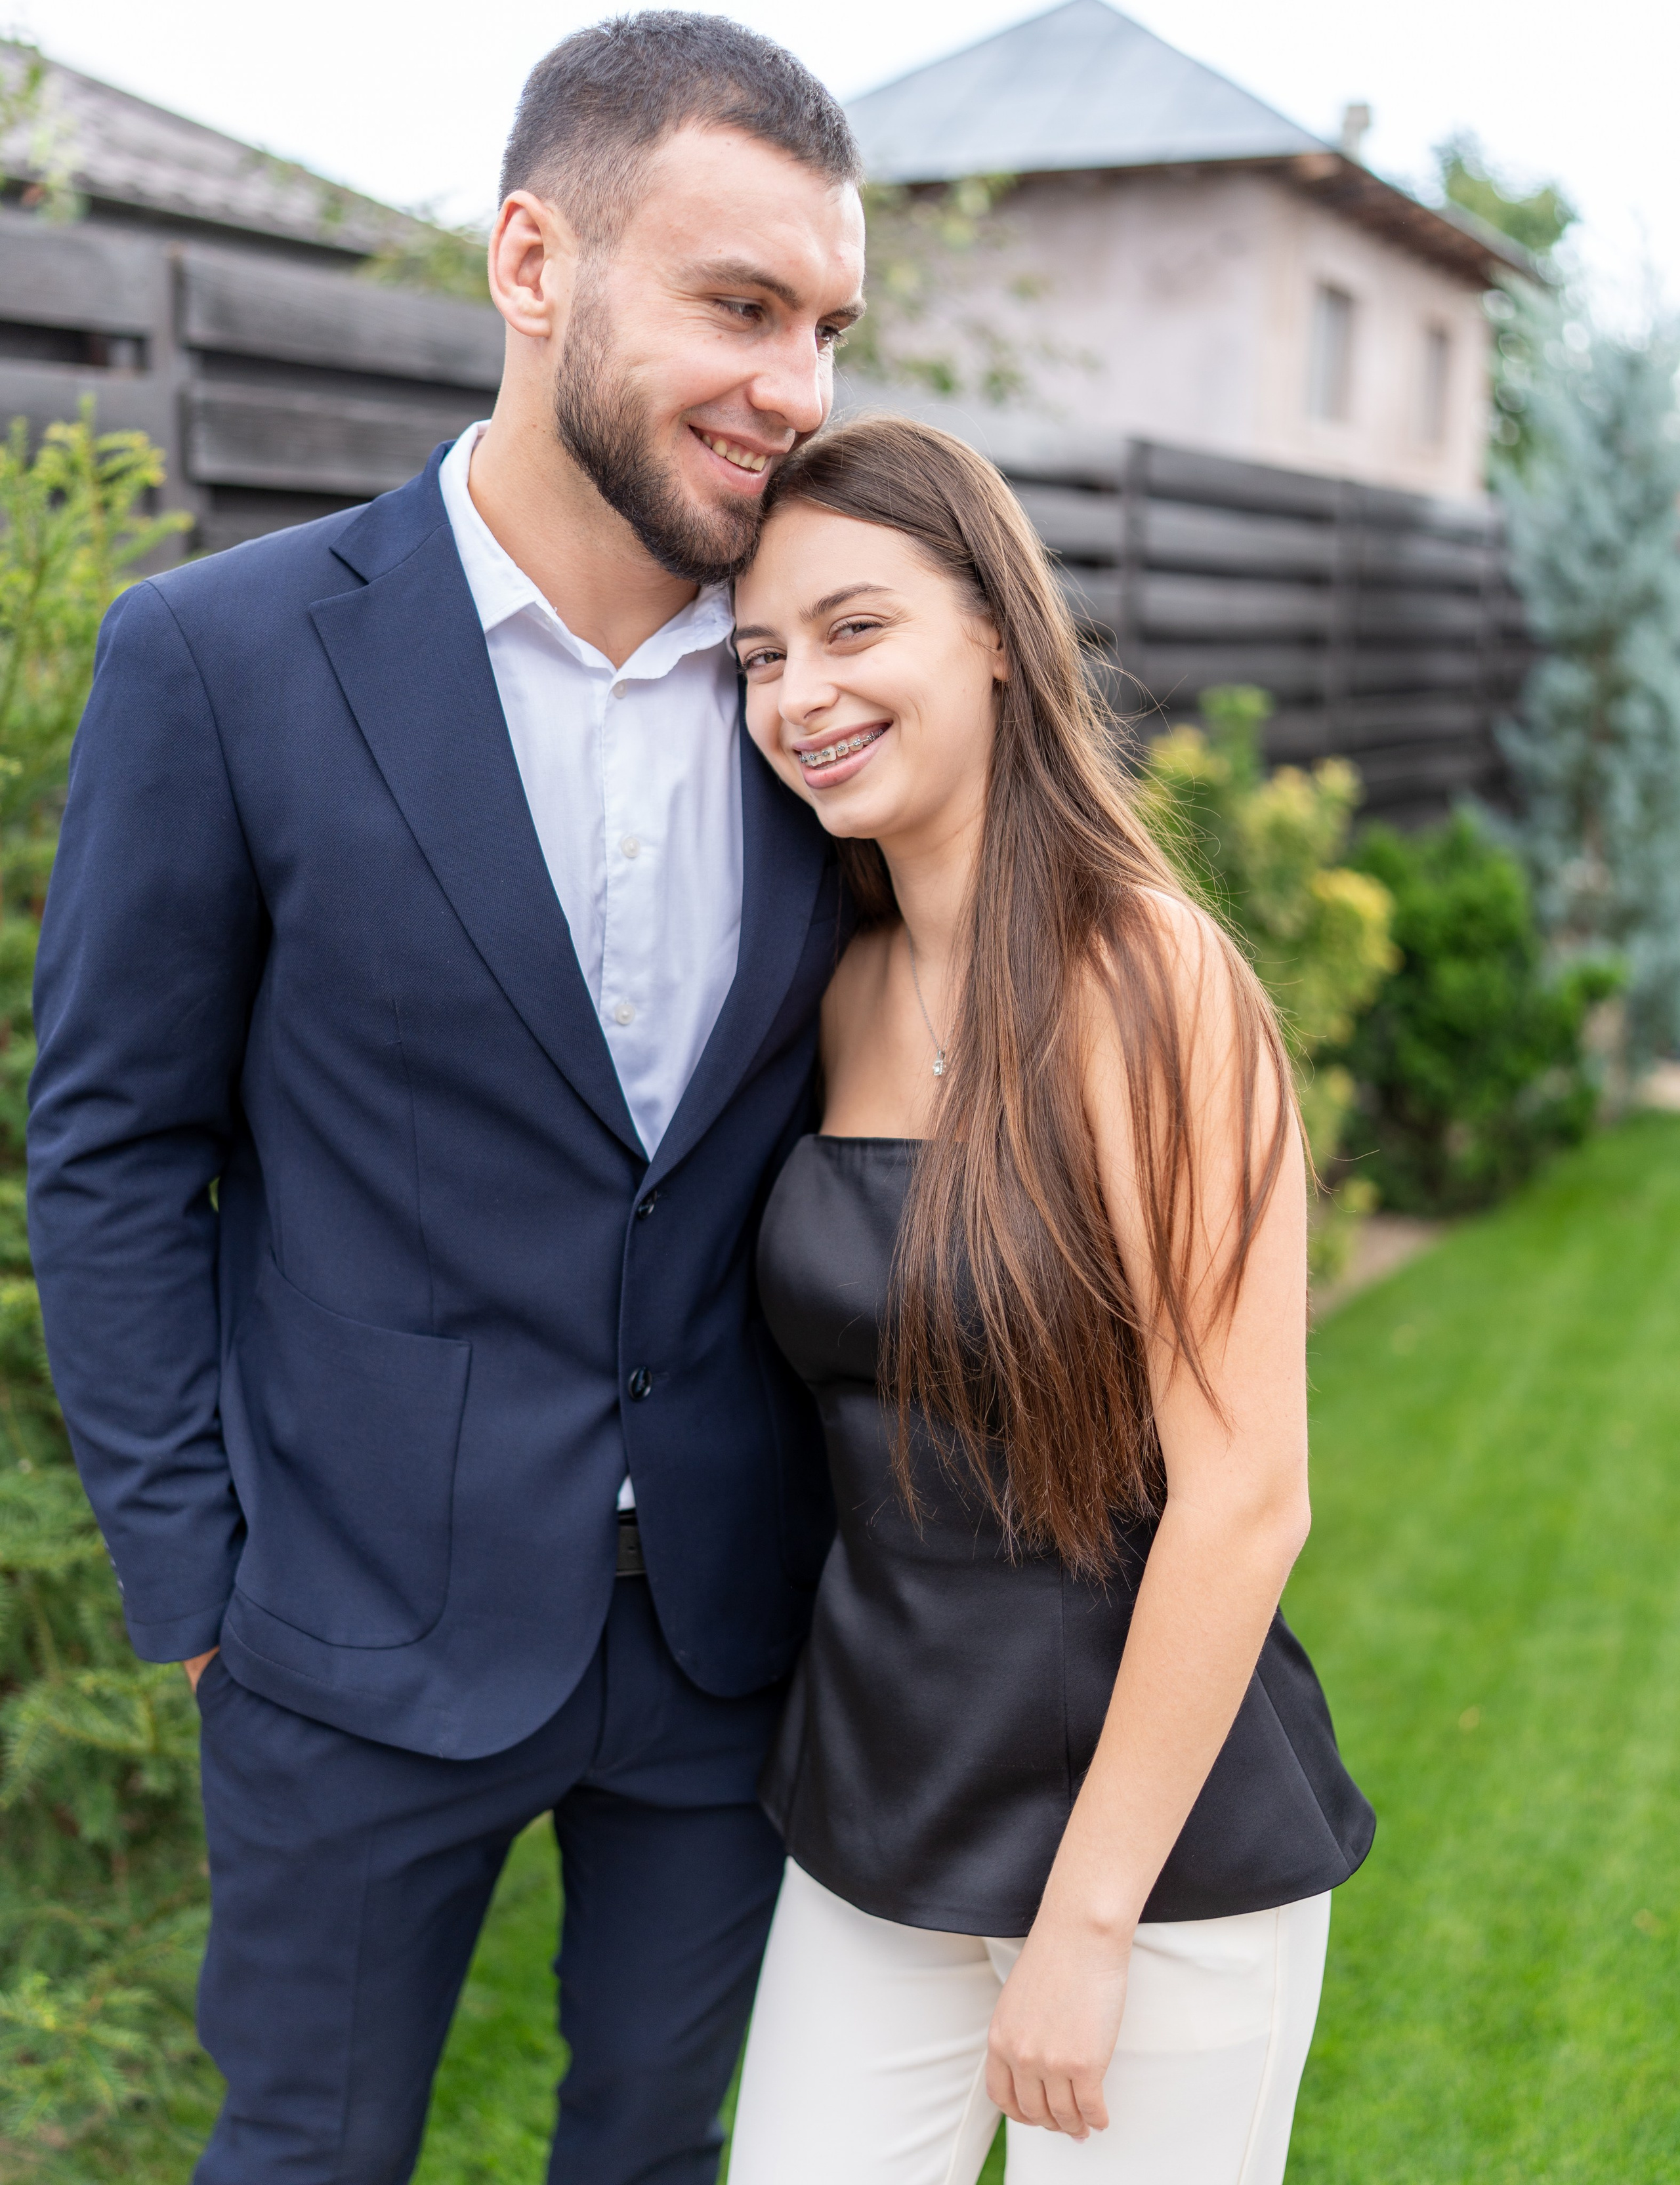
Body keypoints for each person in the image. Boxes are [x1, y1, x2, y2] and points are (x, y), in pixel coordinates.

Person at [26, 16, 864, 2182]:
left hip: (726, 1622)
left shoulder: (826, 689)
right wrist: (196, 1581)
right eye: (741, 304)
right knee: (304, 2152)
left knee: (662, 2155)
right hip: (339, 1625)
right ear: (531, 263)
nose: (801, 385)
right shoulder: (219, 659)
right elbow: (114, 1147)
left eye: (832, 325)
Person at [723, 416, 1376, 2185]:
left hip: (1151, 1849)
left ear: (998, 630)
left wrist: (1088, 1921)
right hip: (878, 1805)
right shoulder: (833, 983)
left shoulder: (1151, 979)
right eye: (764, 655)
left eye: (857, 629)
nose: (802, 693)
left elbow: (1249, 1494)